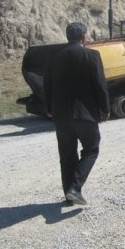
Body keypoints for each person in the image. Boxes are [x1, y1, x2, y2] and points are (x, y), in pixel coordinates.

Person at [43, 22, 110, 206]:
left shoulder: (54, 57)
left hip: (61, 116)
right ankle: (75, 187)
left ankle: (69, 197)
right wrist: (105, 109)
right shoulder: (91, 55)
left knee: (67, 156)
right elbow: (99, 84)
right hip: (86, 114)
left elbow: (47, 84)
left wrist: (48, 107)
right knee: (91, 149)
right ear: (83, 37)